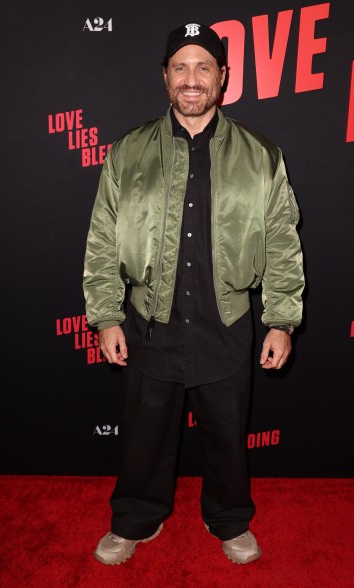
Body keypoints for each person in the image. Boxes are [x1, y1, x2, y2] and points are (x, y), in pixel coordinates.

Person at [83, 22, 305, 566]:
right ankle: (135, 518)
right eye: (180, 67)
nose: (191, 78)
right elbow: (103, 237)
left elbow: (282, 240)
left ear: (222, 77)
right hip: (148, 322)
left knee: (228, 438)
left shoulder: (261, 155)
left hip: (225, 322)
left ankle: (229, 519)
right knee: (143, 437)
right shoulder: (128, 151)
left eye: (203, 66)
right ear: (165, 77)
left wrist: (281, 319)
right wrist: (106, 315)